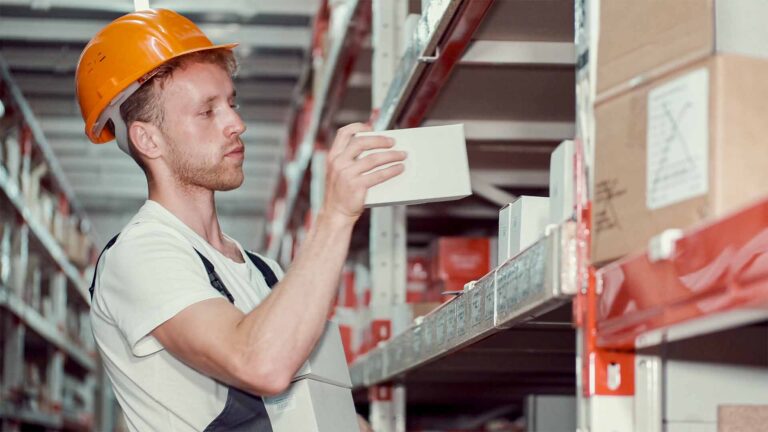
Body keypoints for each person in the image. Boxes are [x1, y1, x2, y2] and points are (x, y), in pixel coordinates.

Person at [76, 9, 404, 431]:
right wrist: (336, 215)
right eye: (207, 112)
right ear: (148, 139)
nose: (237, 123)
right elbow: (259, 364)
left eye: (231, 103)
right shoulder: (139, 255)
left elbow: (309, 407)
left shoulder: (264, 271)